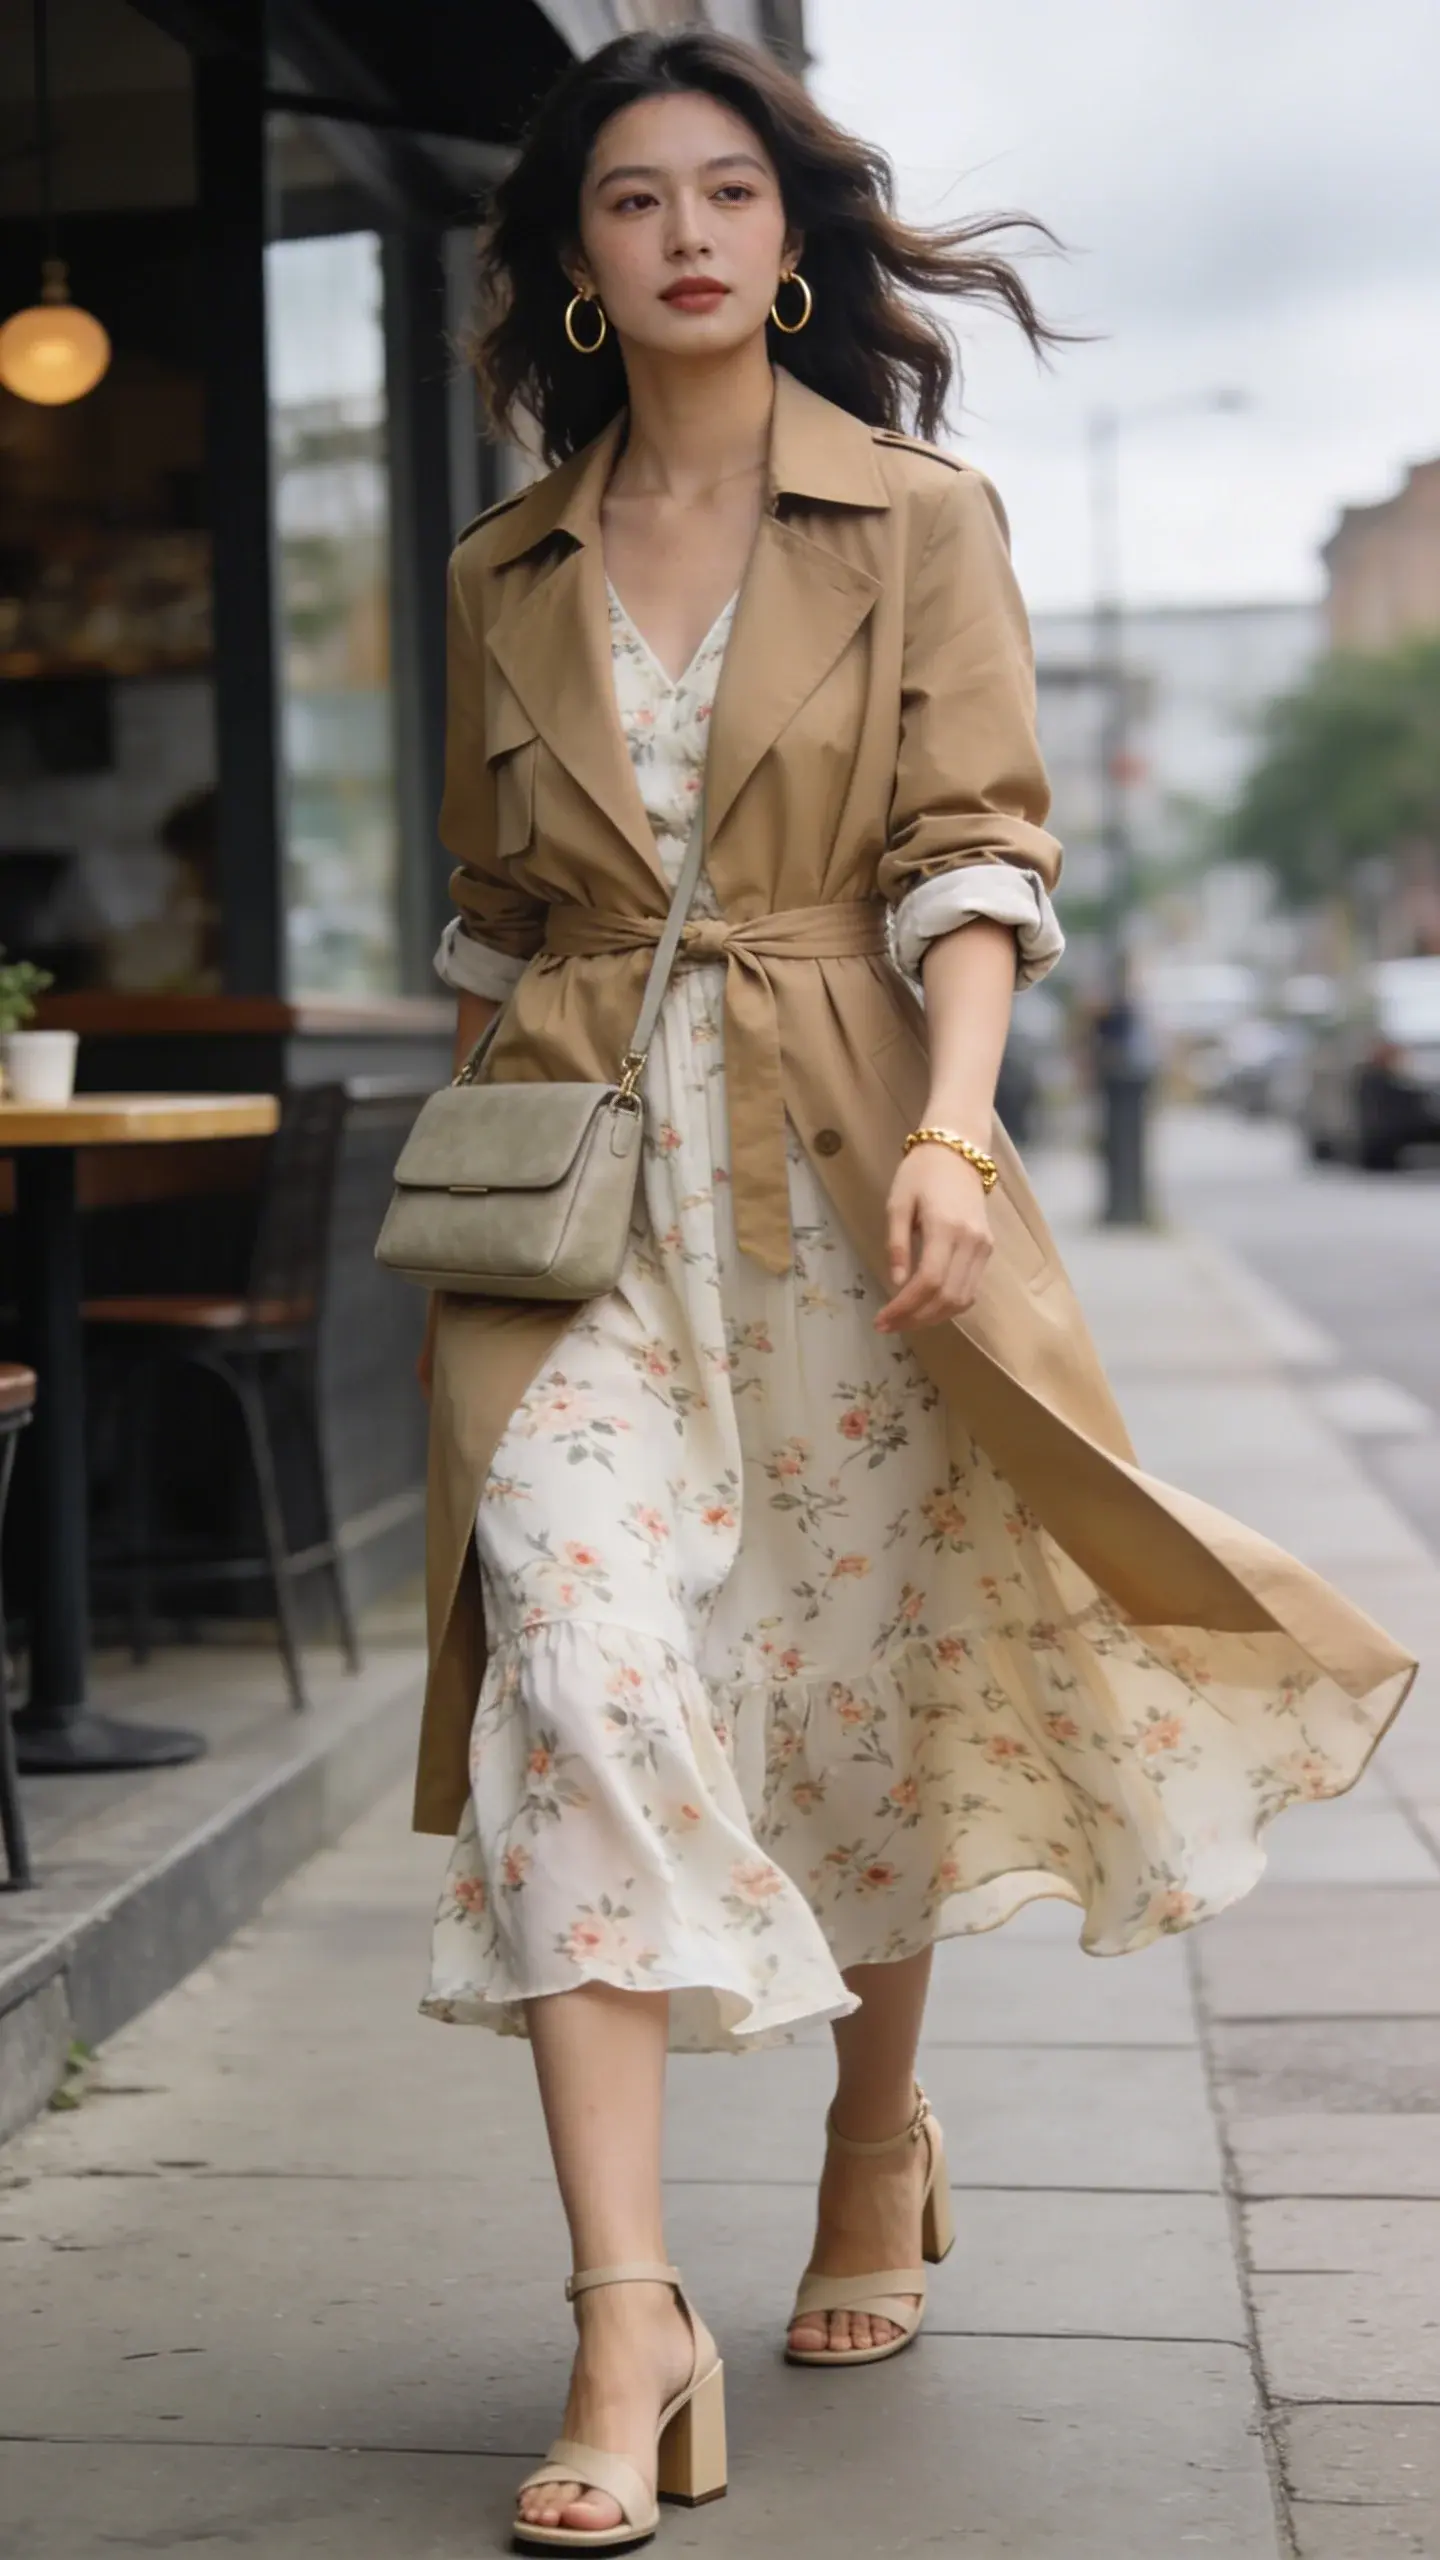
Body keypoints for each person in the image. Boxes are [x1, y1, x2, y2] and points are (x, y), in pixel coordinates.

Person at [409, 31, 1417, 2550]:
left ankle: (876, 2137)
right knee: (577, 1664)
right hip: (580, 1213)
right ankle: (627, 2310)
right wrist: (485, 1155)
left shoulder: (917, 517)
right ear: (573, 258)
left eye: (727, 191)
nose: (686, 232)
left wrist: (959, 1129)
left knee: (853, 1681)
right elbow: (495, 911)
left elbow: (976, 852)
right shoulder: (499, 570)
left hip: (855, 1171)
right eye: (632, 198)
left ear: (791, 236)